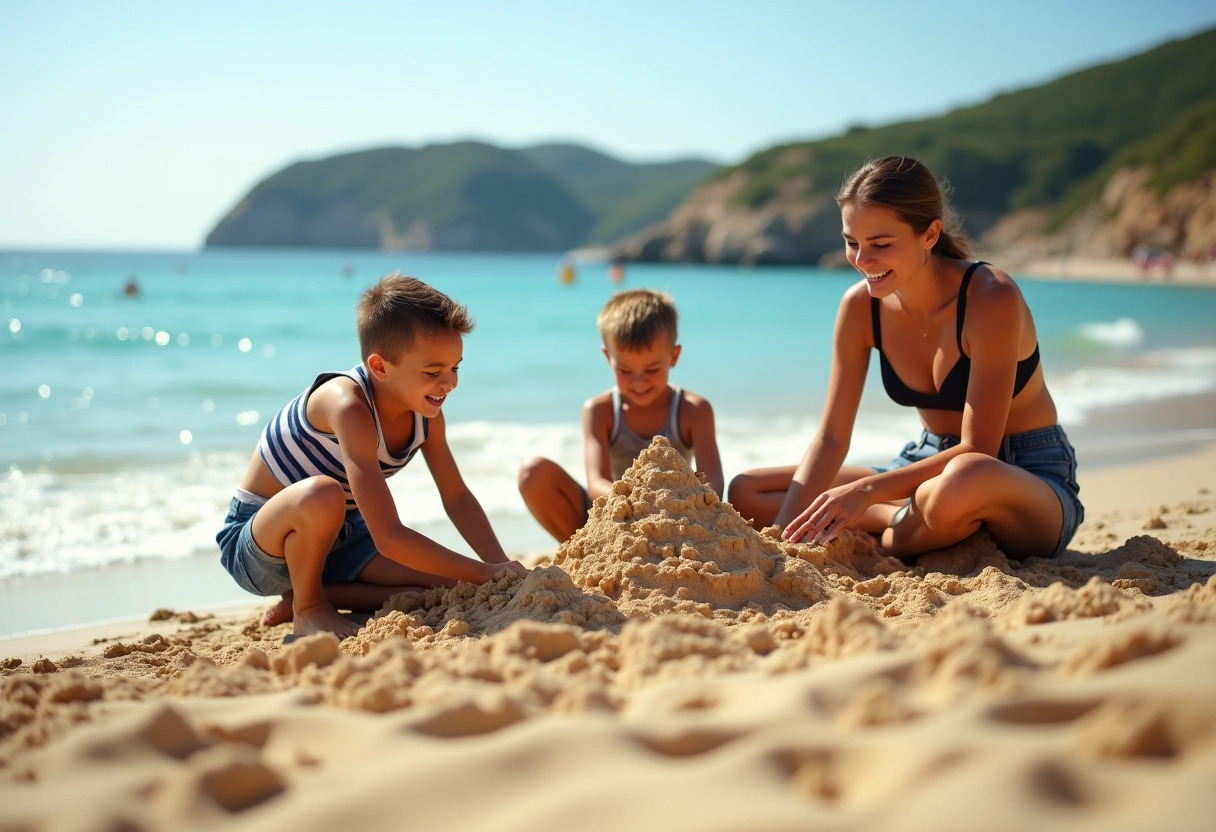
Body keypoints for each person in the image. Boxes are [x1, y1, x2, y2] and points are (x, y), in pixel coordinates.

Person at [727, 155, 1083, 562]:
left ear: (930, 234)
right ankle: (899, 518)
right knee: (748, 492)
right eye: (851, 242)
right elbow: (831, 438)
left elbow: (977, 448)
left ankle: (885, 520)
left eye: (880, 244)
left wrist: (865, 492)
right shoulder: (860, 308)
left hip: (1023, 473)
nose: (862, 260)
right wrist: (784, 538)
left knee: (961, 481)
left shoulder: (990, 296)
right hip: (924, 464)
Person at [216, 273, 527, 639]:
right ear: (379, 367)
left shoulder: (426, 416)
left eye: (455, 367)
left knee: (448, 584)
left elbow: (456, 496)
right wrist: (481, 572)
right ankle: (309, 608)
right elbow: (389, 537)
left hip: (341, 538)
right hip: (259, 548)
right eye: (433, 372)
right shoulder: (346, 405)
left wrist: (497, 568)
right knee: (323, 494)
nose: (450, 383)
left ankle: (315, 593)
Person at [518, 288, 724, 542]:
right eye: (625, 370)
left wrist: (668, 506)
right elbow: (596, 483)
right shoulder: (600, 410)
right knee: (534, 474)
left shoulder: (693, 410)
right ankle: (585, 555)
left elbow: (713, 483)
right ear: (608, 357)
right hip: (615, 516)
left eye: (651, 369)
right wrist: (637, 503)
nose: (638, 382)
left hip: (676, 519)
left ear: (674, 356)